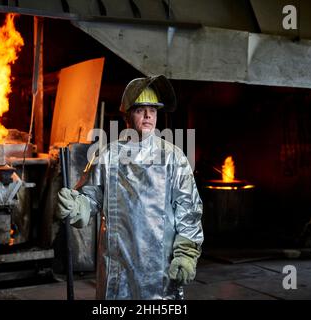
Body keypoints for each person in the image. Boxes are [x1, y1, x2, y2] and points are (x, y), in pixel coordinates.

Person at [57, 75, 204, 300]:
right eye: (140, 109)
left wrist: (186, 254)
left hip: (159, 270)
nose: (148, 115)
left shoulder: (173, 158)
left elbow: (189, 212)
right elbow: (92, 198)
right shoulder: (106, 156)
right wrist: (78, 206)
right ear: (127, 115)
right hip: (117, 270)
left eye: (152, 110)